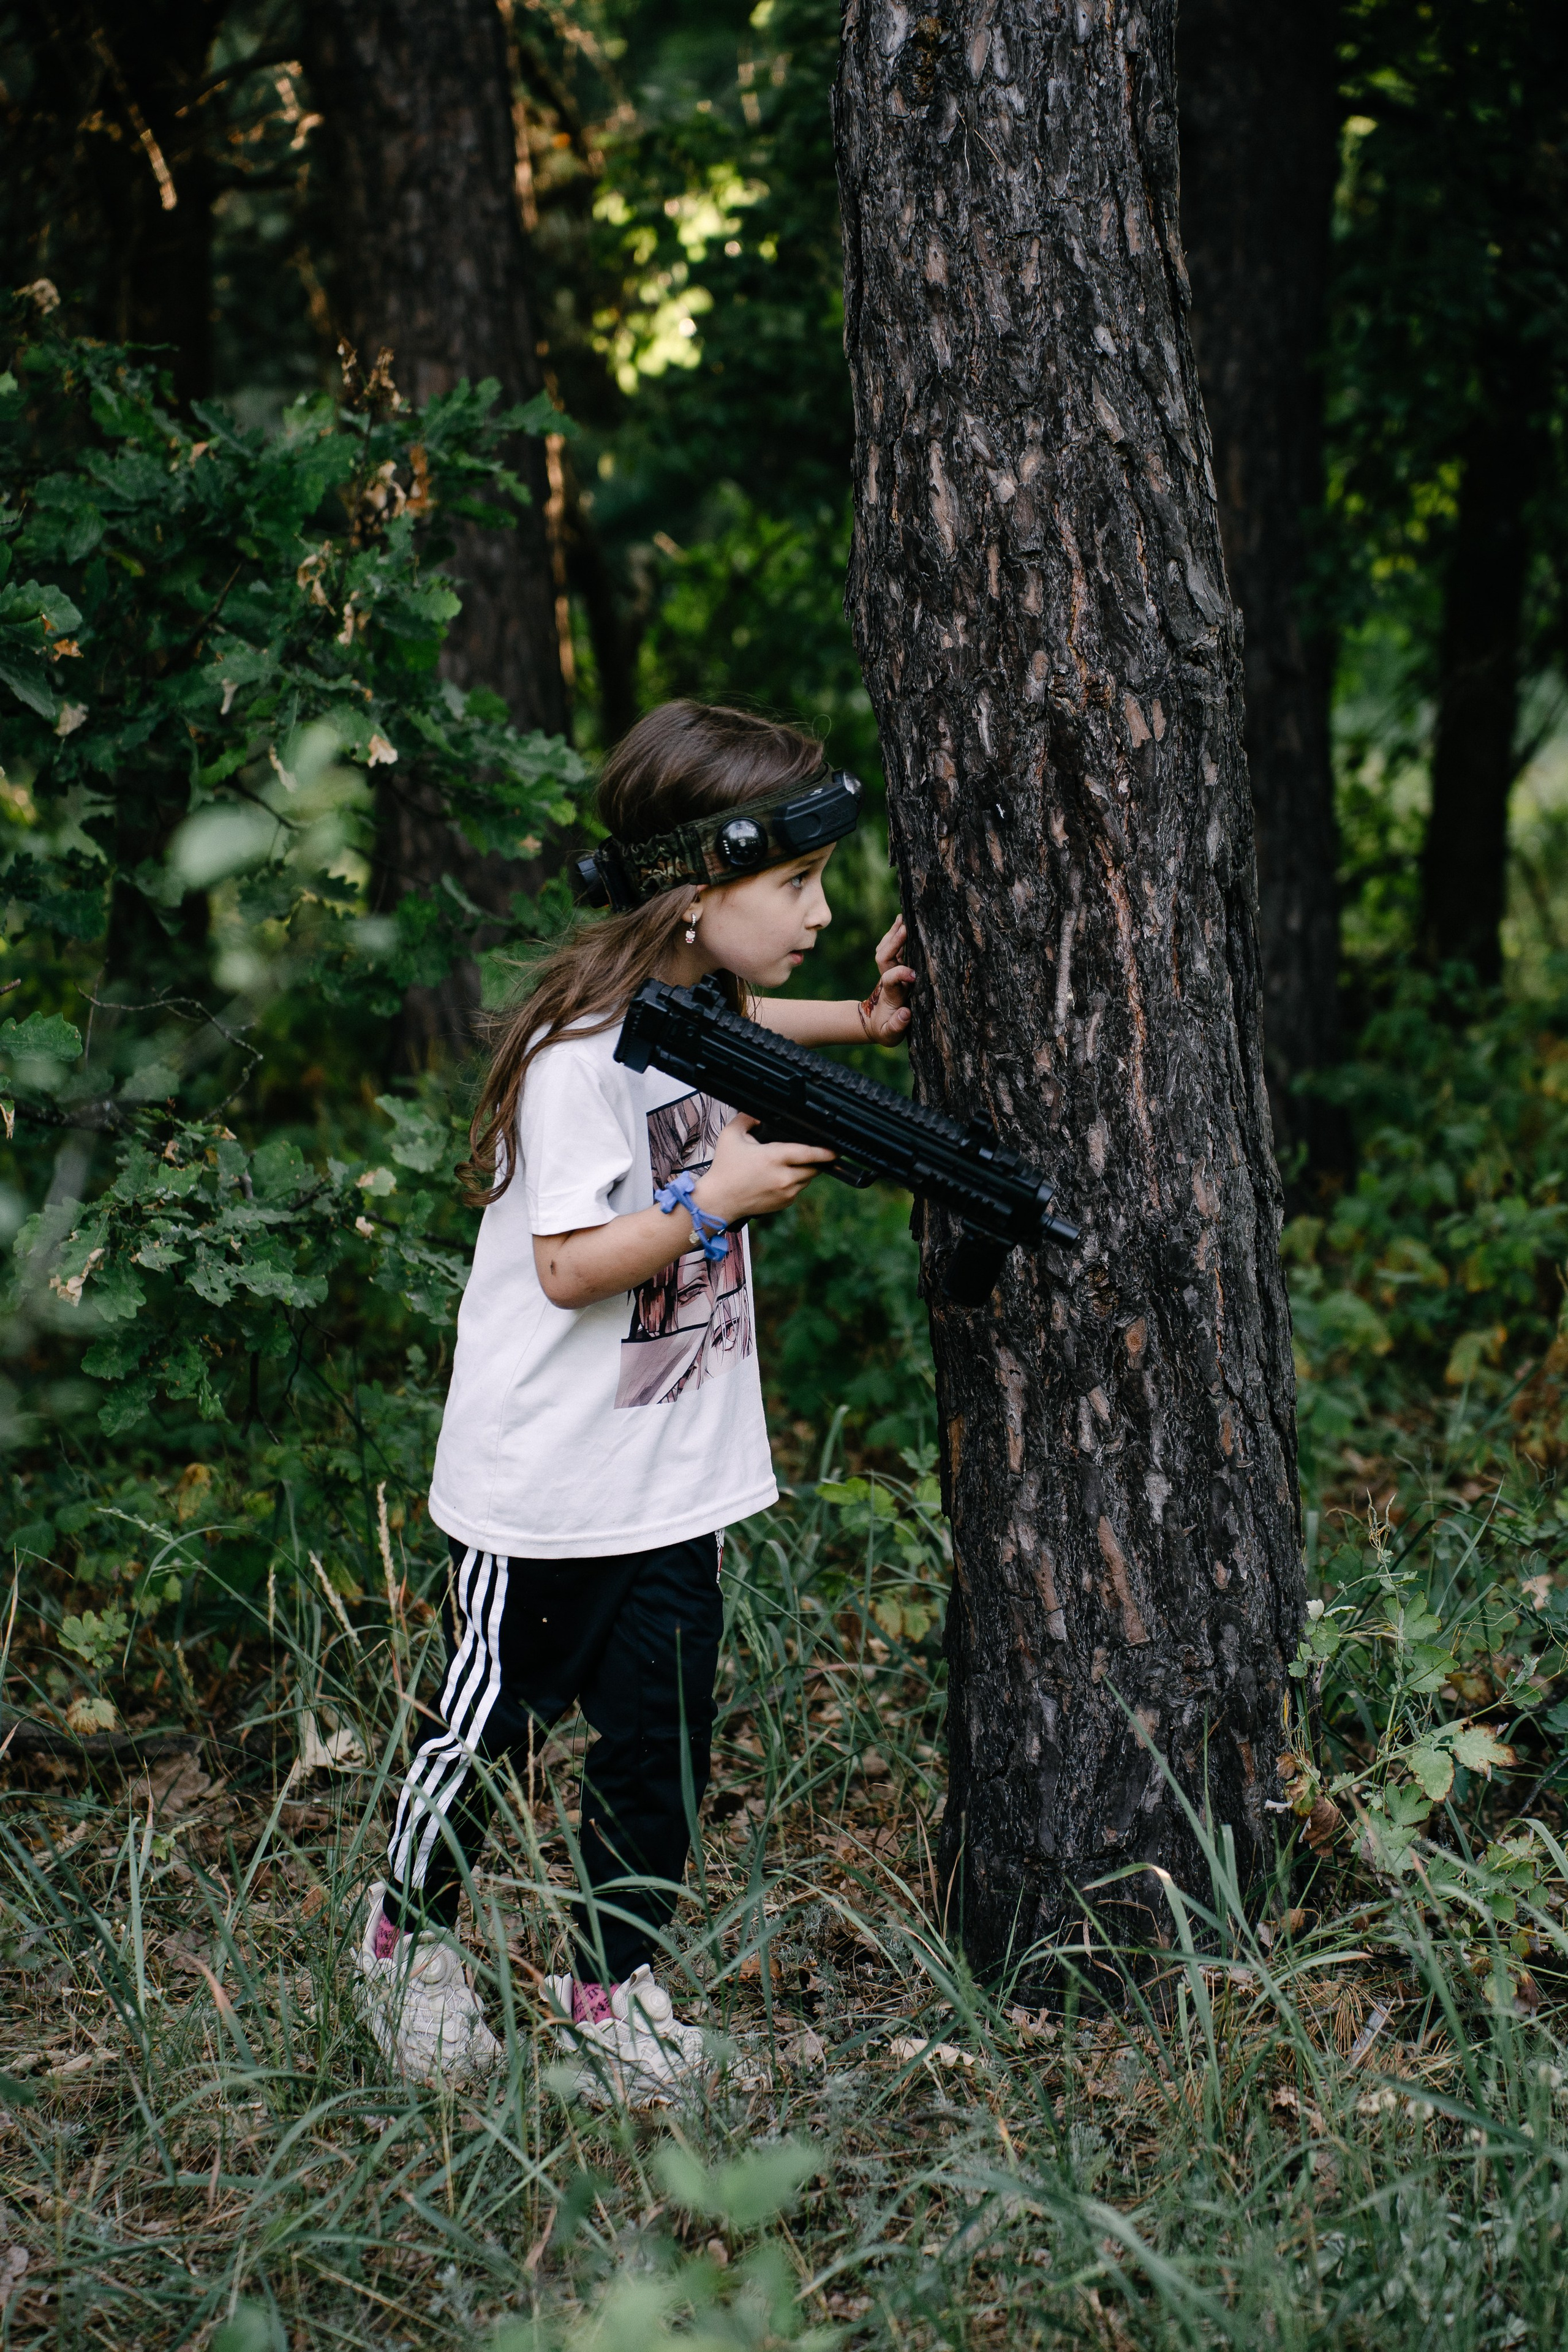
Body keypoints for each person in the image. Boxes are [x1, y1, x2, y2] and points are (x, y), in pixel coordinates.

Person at [353, 699, 913, 2097]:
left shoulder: (696, 1014)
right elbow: (562, 1266)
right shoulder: (570, 1060)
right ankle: (401, 1939)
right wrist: (707, 1203)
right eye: (792, 885)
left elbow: (748, 1019)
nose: (820, 909)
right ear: (690, 890)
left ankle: (608, 1994)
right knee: (486, 1727)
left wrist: (865, 1018)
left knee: (656, 1750)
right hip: (547, 1491)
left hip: (672, 1483)